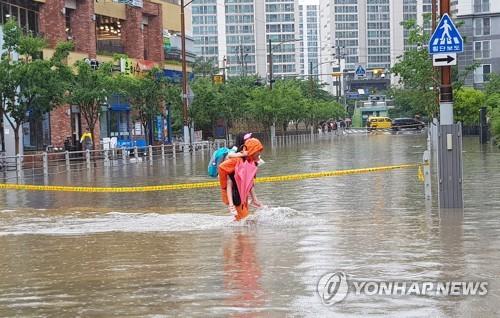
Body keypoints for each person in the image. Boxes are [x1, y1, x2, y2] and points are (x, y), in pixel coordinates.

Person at [218, 137, 264, 221]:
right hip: (234, 195)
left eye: (260, 151)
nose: (259, 154)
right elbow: (221, 168)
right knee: (245, 219)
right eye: (257, 152)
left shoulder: (251, 163)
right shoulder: (237, 160)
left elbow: (250, 183)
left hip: (242, 194)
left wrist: (255, 199)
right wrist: (226, 186)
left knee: (243, 221)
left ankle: (236, 232)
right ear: (251, 151)